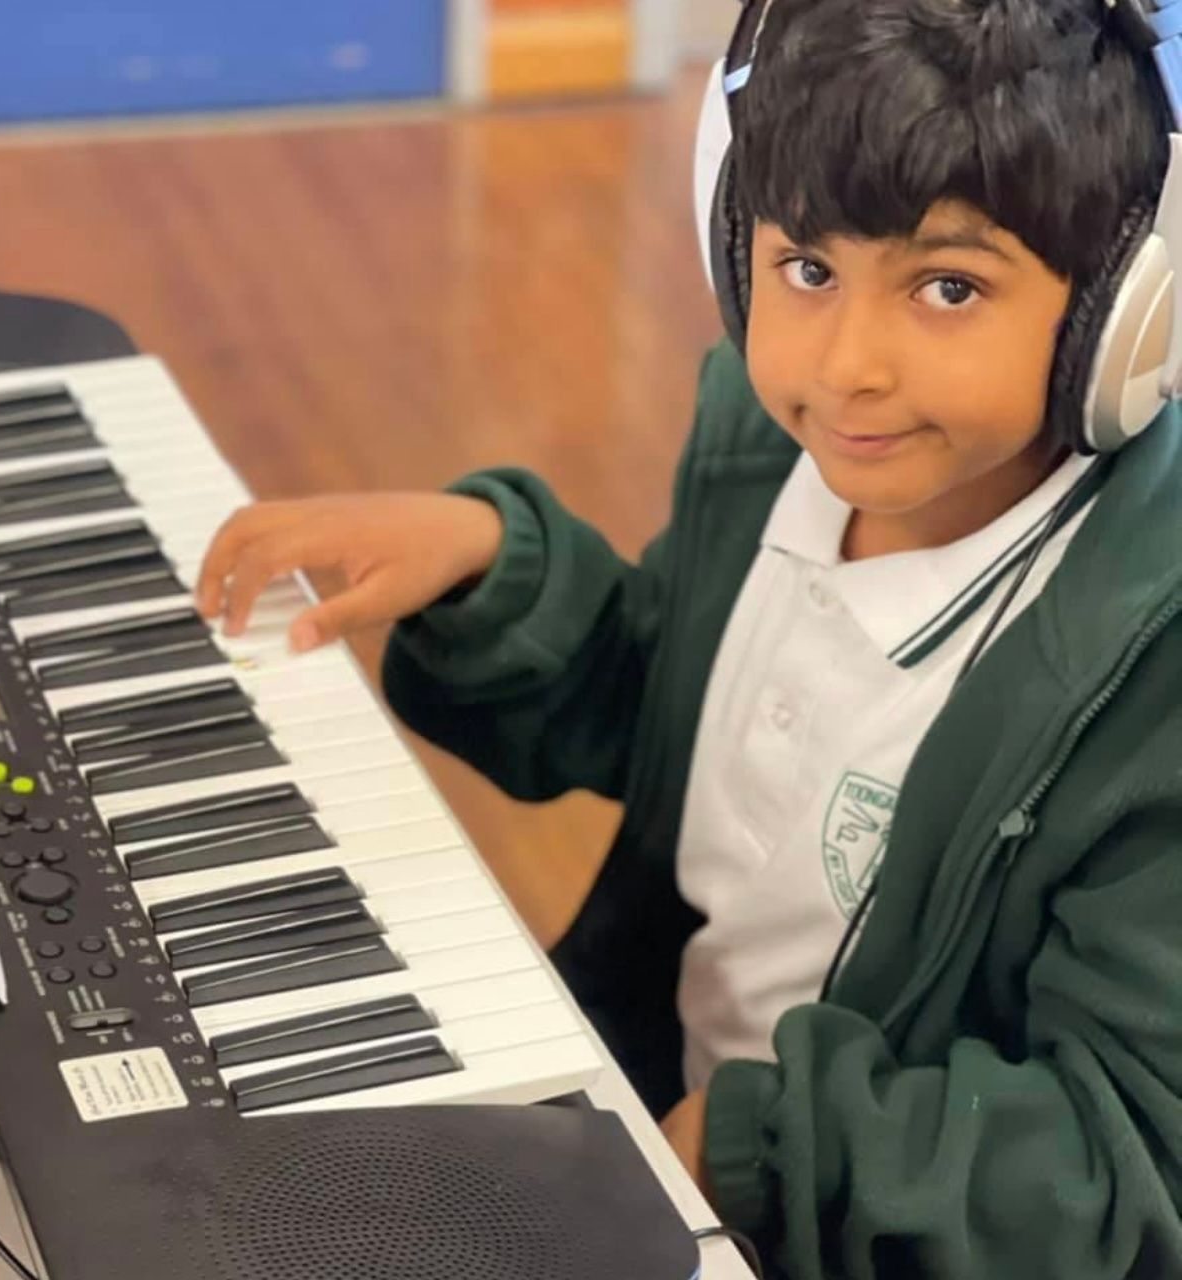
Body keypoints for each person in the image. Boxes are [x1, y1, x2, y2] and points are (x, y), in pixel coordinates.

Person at [195, 0, 1182, 1274]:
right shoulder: (778, 455)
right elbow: (693, 727)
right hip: (664, 1114)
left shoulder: (1148, 667)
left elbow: (1125, 1170)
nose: (846, 364)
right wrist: (496, 568)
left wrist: (756, 1148)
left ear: (1122, 308)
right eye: (805, 268)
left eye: (947, 286)